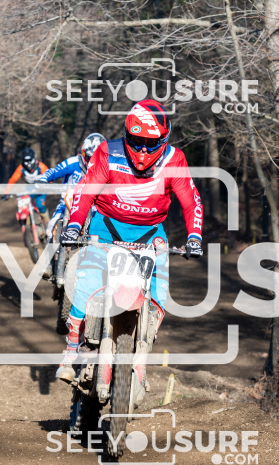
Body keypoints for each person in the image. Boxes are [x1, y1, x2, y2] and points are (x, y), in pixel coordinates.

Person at [56, 99, 204, 390]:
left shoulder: (174, 160)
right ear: (127, 136)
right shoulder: (108, 152)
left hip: (150, 233)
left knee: (158, 292)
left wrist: (194, 236)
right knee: (86, 284)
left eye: (151, 143)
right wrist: (74, 226)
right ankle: (71, 351)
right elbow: (86, 191)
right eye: (137, 142)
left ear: (163, 140)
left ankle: (142, 352)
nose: (143, 150)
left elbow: (191, 199)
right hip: (106, 228)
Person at [37, 133, 106, 240]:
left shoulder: (107, 168)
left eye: (96, 158)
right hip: (67, 203)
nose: (92, 162)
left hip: (94, 206)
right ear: (84, 153)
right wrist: (43, 179)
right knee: (51, 228)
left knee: (102, 231)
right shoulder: (73, 162)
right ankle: (51, 248)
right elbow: (55, 171)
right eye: (90, 157)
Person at [2, 147, 49, 222]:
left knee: (40, 205)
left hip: (41, 189)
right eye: (26, 161)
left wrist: (48, 185)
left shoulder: (41, 167)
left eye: (30, 160)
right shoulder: (21, 168)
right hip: (30, 189)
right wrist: (6, 193)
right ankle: (27, 223)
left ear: (34, 158)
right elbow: (13, 180)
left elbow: (50, 176)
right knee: (23, 204)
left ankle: (47, 222)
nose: (28, 163)